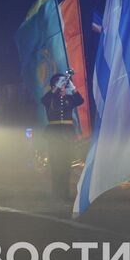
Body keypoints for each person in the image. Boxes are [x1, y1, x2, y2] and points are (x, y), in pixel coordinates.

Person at [41, 72, 84, 200]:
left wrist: (71, 84)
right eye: (60, 83)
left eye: (63, 83)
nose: (62, 86)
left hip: (67, 134)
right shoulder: (50, 99)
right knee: (56, 164)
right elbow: (44, 100)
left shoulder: (69, 98)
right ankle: (57, 193)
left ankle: (65, 193)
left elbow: (80, 100)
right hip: (54, 133)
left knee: (66, 164)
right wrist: (55, 87)